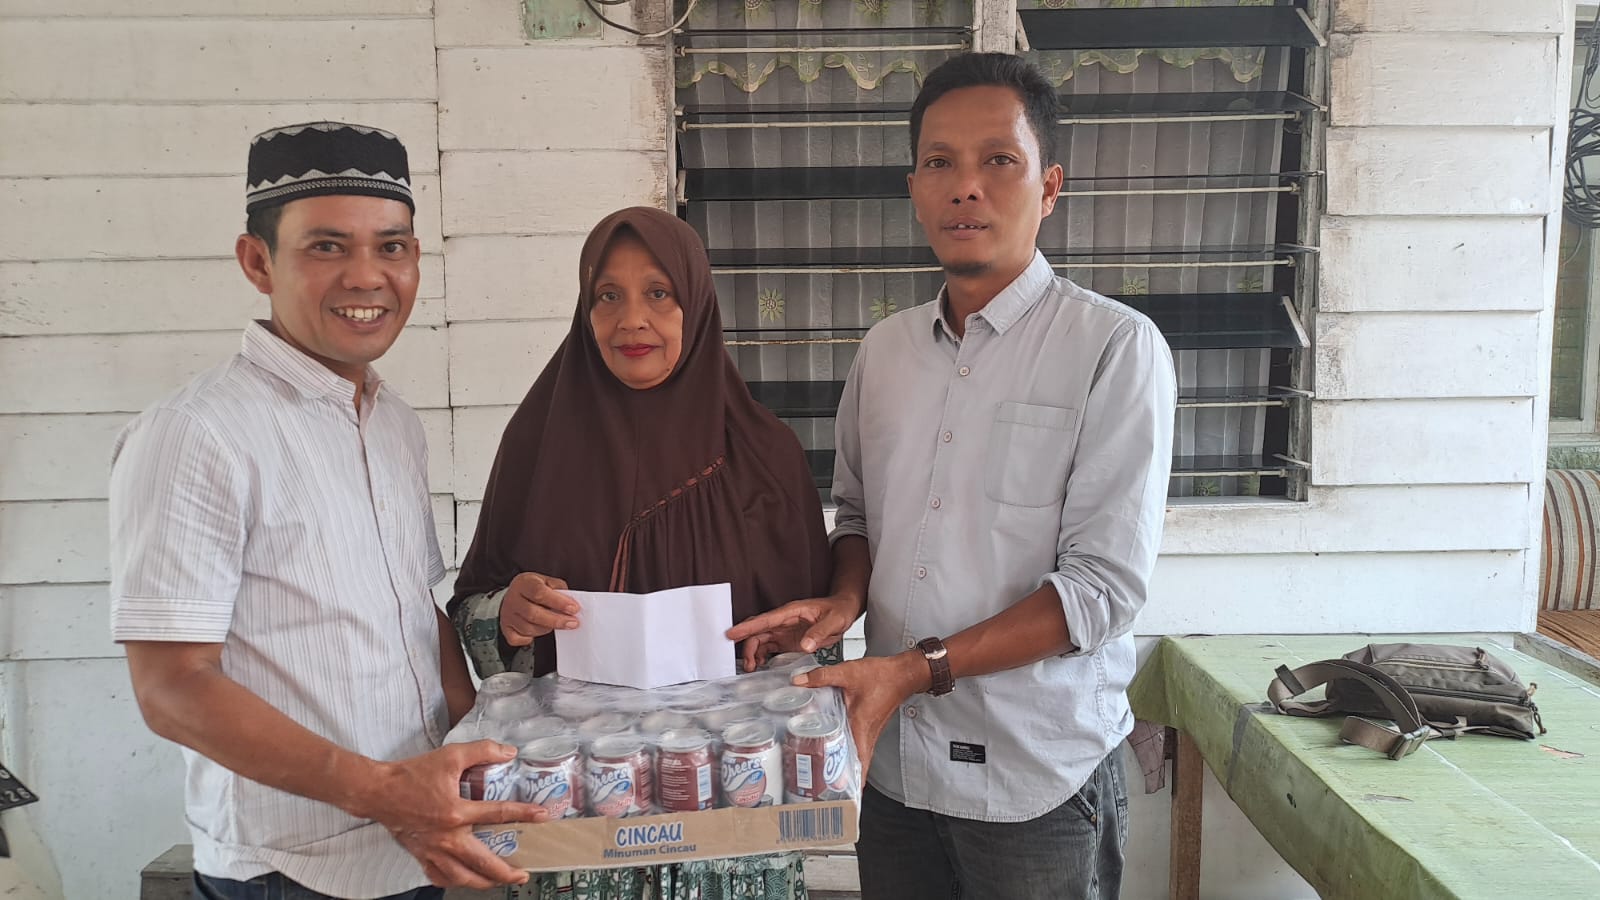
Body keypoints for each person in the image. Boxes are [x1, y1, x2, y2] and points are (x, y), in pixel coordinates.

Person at [728, 53, 1178, 899]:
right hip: (894, 764)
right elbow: (858, 519)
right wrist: (842, 603)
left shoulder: (1114, 349)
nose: (965, 186)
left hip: (1036, 779)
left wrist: (910, 670)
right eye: (940, 162)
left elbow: (1101, 590)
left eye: (998, 160)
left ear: (1049, 187)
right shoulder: (886, 351)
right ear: (915, 188)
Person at [110, 122, 545, 900]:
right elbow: (172, 687)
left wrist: (477, 754)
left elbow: (415, 614)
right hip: (288, 872)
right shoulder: (196, 433)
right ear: (258, 262)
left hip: (416, 849)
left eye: (391, 247)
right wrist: (383, 792)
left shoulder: (392, 420)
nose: (366, 276)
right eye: (326, 247)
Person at [450, 206, 831, 899]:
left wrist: (789, 649)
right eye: (607, 295)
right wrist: (508, 615)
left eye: (659, 293)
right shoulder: (538, 446)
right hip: (574, 832)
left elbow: (815, 643)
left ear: (697, 303)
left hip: (731, 837)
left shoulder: (764, 455)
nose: (631, 320)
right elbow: (473, 610)